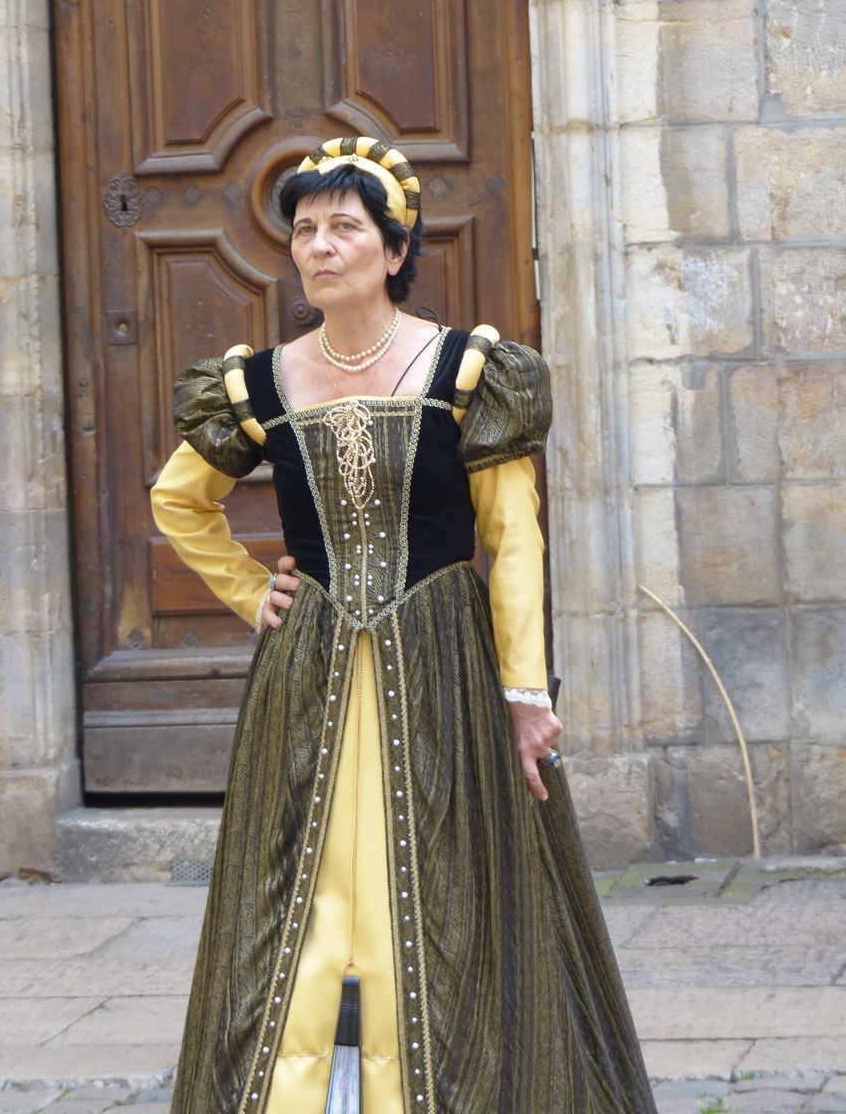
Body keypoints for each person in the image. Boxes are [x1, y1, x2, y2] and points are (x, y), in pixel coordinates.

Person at [151, 137, 657, 1114]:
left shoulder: (467, 371)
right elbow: (180, 501)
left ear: (393, 249)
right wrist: (251, 592)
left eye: (344, 226)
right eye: (305, 228)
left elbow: (512, 537)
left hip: (442, 664)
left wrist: (524, 692)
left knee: (442, 884)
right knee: (294, 891)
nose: (319, 245)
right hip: (308, 671)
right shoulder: (260, 384)